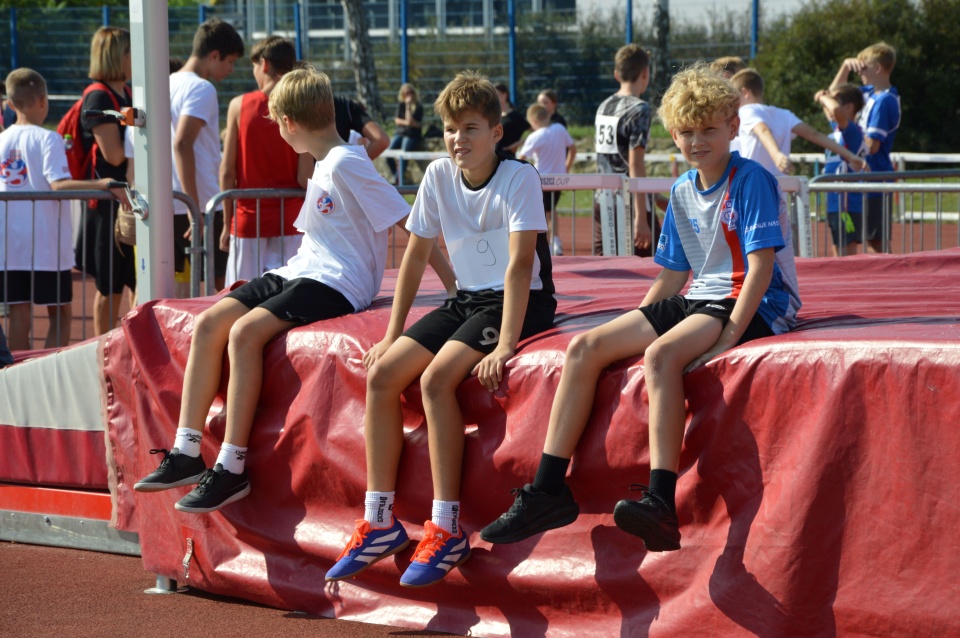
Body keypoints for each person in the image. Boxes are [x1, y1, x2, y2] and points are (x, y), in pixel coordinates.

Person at [479, 63, 802, 553]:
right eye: (687, 132)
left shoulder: (750, 178)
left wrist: (729, 336)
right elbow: (673, 276)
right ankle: (547, 489)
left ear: (733, 128)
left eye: (709, 130)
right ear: (673, 135)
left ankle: (660, 503)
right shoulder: (680, 190)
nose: (698, 142)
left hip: (752, 301)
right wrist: (636, 324)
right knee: (587, 346)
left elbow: (757, 271)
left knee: (660, 357)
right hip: (701, 297)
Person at [133, 68, 455, 513]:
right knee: (210, 324)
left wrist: (455, 286)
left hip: (338, 281)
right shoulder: (326, 161)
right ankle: (187, 450)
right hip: (302, 268)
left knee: (245, 334)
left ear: (288, 123)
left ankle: (231, 466)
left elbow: (412, 225)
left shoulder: (347, 161)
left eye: (277, 124)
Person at [325, 71, 556, 588]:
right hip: (469, 299)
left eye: (471, 127)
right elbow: (413, 258)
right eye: (451, 129)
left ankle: (447, 527)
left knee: (434, 382)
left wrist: (507, 344)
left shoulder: (519, 178)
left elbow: (520, 268)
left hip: (521, 303)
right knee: (382, 374)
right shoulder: (436, 176)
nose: (459, 139)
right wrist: (391, 332)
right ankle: (380, 520)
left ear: (497, 133)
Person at [0, 68, 118, 350]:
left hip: (10, 245)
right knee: (62, 312)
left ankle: (14, 380)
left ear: (11, 104)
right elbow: (58, 185)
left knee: (18, 313)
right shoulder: (47, 139)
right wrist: (103, 183)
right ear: (43, 100)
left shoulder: (2, 139)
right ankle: (47, 379)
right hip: (45, 245)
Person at [220, 36, 313, 287]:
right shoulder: (300, 106)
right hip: (290, 219)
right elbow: (304, 178)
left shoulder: (239, 105)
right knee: (288, 297)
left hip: (249, 219)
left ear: (264, 64)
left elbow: (227, 172)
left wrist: (226, 222)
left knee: (238, 297)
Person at [169, 18, 244, 296]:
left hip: (171, 203)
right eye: (230, 62)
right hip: (199, 204)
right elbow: (182, 143)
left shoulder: (163, 84)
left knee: (170, 292)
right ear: (214, 55)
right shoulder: (201, 88)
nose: (231, 69)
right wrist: (193, 209)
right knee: (220, 291)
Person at [73, 26, 134, 336]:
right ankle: (102, 354)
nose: (136, 57)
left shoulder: (126, 93)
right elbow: (114, 155)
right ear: (116, 56)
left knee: (132, 280)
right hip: (106, 206)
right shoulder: (99, 95)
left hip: (125, 202)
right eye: (130, 51)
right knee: (109, 286)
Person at [730, 68, 867, 179]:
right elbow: (814, 134)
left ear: (744, 92)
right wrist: (850, 156)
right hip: (778, 187)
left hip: (753, 183)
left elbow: (763, 130)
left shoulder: (746, 111)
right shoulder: (784, 114)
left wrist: (776, 154)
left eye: (734, 97)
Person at [829, 42, 900, 253]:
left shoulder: (885, 100)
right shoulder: (868, 93)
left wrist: (851, 139)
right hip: (860, 180)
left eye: (863, 67)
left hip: (875, 179)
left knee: (875, 241)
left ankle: (883, 284)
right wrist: (844, 68)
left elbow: (872, 146)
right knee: (848, 239)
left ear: (877, 68)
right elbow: (834, 98)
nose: (859, 72)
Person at [593, 43, 657, 256]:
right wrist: (641, 216)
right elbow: (635, 164)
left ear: (616, 74)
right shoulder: (639, 109)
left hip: (603, 199)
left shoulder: (603, 105)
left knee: (607, 270)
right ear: (645, 73)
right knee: (651, 270)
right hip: (630, 203)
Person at [814, 84, 868, 256]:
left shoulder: (851, 131)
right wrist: (826, 96)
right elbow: (832, 111)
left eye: (832, 101)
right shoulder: (838, 131)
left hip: (848, 205)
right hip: (835, 204)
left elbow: (835, 110)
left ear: (849, 108)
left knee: (847, 254)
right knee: (837, 250)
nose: (828, 106)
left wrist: (821, 96)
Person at [518, 104, 575, 256]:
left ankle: (547, 247)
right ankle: (555, 242)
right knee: (551, 211)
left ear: (533, 120)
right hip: (558, 180)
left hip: (541, 181)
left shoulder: (535, 136)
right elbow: (573, 148)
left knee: (542, 216)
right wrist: (566, 167)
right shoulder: (560, 129)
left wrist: (526, 174)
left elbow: (521, 158)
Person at [385, 83, 423, 184]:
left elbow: (409, 120)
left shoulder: (418, 106)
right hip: (401, 133)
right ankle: (397, 177)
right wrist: (409, 123)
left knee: (404, 153)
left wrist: (408, 106)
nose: (409, 95)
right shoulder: (400, 105)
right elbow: (397, 120)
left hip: (412, 135)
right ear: (403, 94)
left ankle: (398, 179)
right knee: (388, 153)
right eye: (406, 93)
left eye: (410, 92)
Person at [333, 95, 389, 160]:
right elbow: (381, 140)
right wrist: (357, 165)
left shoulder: (344, 106)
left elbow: (380, 140)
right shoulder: (344, 105)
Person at [495, 82, 529, 159]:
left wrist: (516, 145)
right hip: (493, 156)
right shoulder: (494, 115)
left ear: (505, 95)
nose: (494, 98)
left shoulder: (515, 116)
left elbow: (532, 132)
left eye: (497, 94)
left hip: (507, 157)